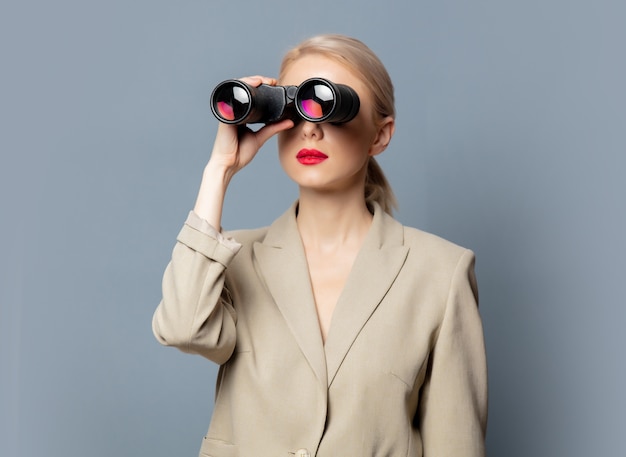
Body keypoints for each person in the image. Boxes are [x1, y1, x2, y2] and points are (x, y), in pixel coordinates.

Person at [152, 34, 488, 457]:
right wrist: (219, 170)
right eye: (294, 106)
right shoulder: (233, 259)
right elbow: (183, 329)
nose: (310, 127)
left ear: (380, 136)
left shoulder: (441, 273)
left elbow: (456, 445)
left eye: (329, 105)